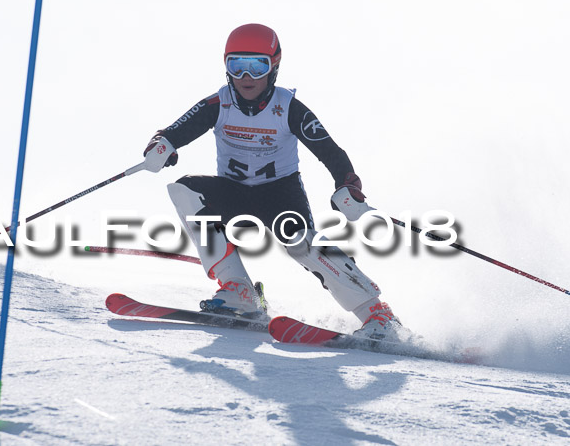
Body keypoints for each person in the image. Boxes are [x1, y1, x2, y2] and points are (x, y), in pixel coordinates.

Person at [142, 23, 401, 339]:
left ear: (274, 67)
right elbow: (173, 132)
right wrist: (161, 146)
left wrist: (347, 186)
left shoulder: (288, 107)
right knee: (184, 190)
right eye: (237, 66)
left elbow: (331, 152)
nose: (246, 77)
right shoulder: (218, 104)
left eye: (257, 66)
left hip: (280, 195)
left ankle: (377, 313)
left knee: (302, 244)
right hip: (234, 194)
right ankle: (239, 291)